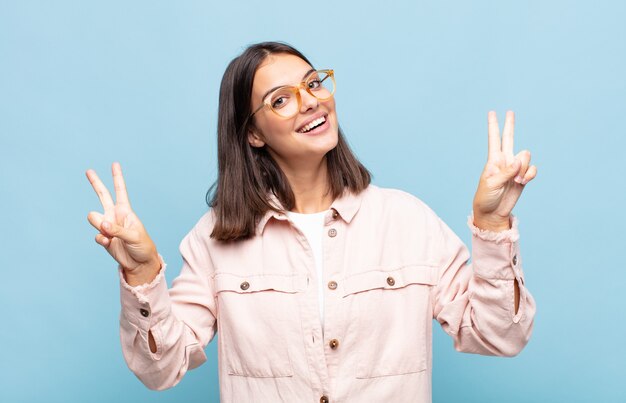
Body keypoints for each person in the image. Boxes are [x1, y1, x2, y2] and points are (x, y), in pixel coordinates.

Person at [86, 42, 537, 403]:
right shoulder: (213, 239)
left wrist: (492, 224)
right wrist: (143, 276)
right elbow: (160, 369)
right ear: (253, 133)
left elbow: (502, 335)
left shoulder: (408, 221)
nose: (309, 102)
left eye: (313, 84)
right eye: (280, 100)